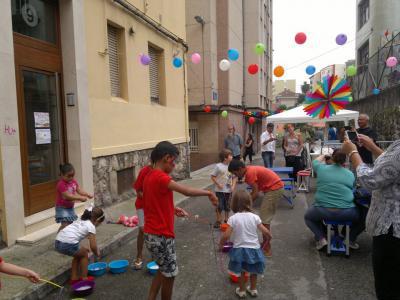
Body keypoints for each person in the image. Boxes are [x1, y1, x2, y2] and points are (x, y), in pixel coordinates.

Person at [143, 141, 218, 300]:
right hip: (161, 235)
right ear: (166, 158)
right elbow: (187, 191)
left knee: (163, 270)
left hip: (152, 234)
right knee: (170, 275)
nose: (175, 165)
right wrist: (208, 193)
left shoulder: (149, 175)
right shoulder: (161, 177)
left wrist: (172, 209)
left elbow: (153, 201)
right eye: (174, 161)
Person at [342, 135, 400, 300]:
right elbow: (392, 170)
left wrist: (353, 152)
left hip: (391, 229)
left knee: (388, 288)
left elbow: (371, 180)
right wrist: (373, 147)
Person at [304, 150, 363, 250]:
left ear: (332, 158)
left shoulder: (322, 169)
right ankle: (350, 239)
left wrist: (324, 155)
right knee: (364, 217)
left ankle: (321, 239)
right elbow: (352, 188)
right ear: (345, 160)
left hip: (322, 210)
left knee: (308, 217)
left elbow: (315, 162)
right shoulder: (350, 174)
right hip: (347, 212)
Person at [219, 190, 271, 298]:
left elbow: (226, 236)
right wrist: (268, 238)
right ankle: (253, 289)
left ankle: (242, 291)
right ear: (249, 202)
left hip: (240, 250)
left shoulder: (233, 218)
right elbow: (265, 231)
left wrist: (221, 245)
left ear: (234, 204)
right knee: (254, 271)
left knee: (242, 271)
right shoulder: (254, 217)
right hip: (254, 249)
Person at [228, 160, 284, 257]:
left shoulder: (249, 174)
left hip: (274, 189)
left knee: (265, 219)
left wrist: (244, 206)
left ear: (240, 169)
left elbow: (255, 193)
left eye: (235, 173)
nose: (235, 175)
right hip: (273, 188)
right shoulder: (249, 170)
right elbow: (254, 193)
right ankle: (265, 243)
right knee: (264, 217)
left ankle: (267, 248)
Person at [55, 206, 105, 284]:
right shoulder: (91, 226)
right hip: (68, 244)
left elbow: (74, 235)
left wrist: (82, 248)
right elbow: (93, 246)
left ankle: (74, 278)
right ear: (97, 220)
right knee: (84, 254)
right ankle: (84, 278)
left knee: (78, 254)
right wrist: (97, 253)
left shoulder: (80, 220)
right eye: (100, 223)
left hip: (58, 242)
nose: (98, 225)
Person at [56, 163, 93, 232]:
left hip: (70, 207)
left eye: (72, 176)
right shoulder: (61, 184)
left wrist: (87, 194)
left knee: (70, 224)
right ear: (62, 175)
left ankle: (64, 238)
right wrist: (80, 198)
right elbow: (67, 196)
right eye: (68, 176)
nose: (71, 178)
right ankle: (59, 238)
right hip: (62, 208)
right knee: (65, 225)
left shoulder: (73, 182)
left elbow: (79, 190)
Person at [132, 164, 153, 270]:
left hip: (155, 206)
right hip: (142, 205)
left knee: (155, 230)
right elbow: (138, 191)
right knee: (142, 229)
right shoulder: (145, 171)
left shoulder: (163, 171)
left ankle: (155, 255)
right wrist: (150, 198)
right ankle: (139, 255)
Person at [211, 149, 237, 228]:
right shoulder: (218, 166)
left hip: (229, 191)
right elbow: (213, 176)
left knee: (227, 206)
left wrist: (233, 186)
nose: (232, 157)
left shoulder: (232, 166)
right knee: (219, 206)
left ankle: (227, 220)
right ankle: (218, 220)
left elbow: (234, 177)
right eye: (230, 156)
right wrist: (218, 184)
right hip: (219, 191)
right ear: (225, 158)